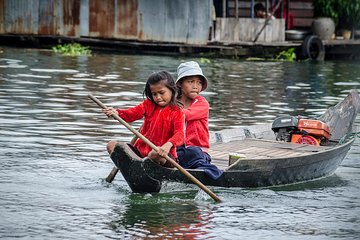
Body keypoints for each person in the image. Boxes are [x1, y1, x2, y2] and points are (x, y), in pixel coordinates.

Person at [102, 70, 185, 166]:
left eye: (162, 93)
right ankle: (130, 168)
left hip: (163, 156)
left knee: (154, 153)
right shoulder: (148, 105)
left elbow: (180, 134)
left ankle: (139, 166)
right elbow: (132, 113)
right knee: (112, 145)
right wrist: (117, 113)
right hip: (140, 152)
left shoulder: (177, 112)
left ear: (172, 90)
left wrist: (168, 145)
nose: (158, 97)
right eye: (154, 94)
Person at [175, 61, 223, 180]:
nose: (195, 86)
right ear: (180, 84)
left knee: (193, 153)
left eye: (199, 82)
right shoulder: (173, 103)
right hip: (178, 151)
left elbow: (186, 115)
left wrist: (163, 111)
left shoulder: (202, 103)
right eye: (191, 82)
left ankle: (204, 167)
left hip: (198, 152)